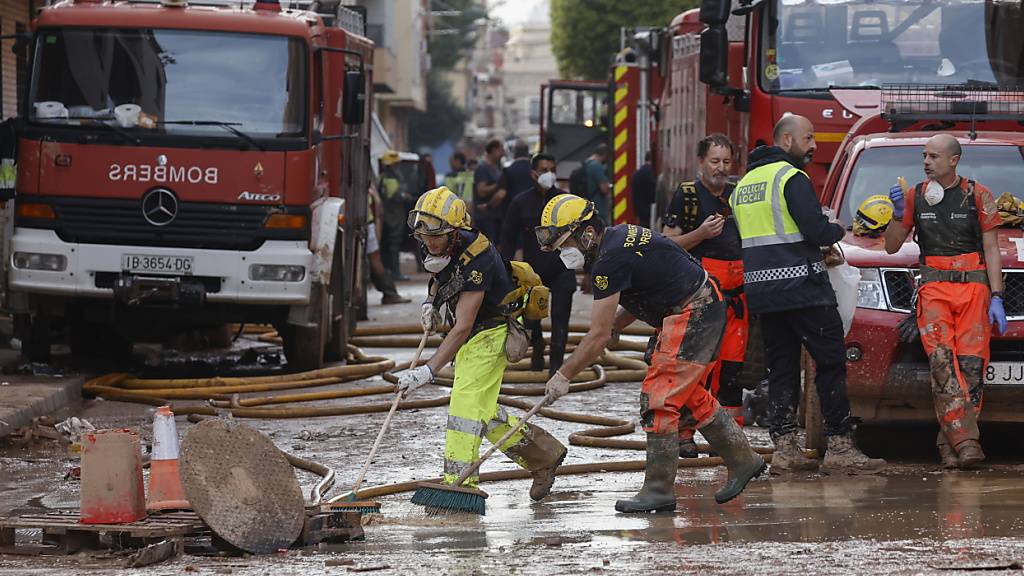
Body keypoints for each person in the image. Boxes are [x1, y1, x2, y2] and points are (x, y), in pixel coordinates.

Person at [536, 195, 765, 512]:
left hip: (694, 311)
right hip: (700, 304)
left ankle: (658, 489)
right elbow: (645, 285)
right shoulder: (617, 240)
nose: (564, 253)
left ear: (587, 233)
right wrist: (617, 325)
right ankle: (743, 459)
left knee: (659, 398)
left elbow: (597, 334)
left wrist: (564, 375)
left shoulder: (608, 260)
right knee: (685, 395)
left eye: (565, 244)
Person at [730, 114, 885, 475]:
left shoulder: (744, 186)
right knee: (830, 364)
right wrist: (838, 228)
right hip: (803, 289)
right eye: (809, 138)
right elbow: (816, 231)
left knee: (781, 369)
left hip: (764, 294)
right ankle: (840, 447)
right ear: (786, 140)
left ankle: (785, 449)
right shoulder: (791, 178)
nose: (814, 145)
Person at [395, 186, 566, 500]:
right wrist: (430, 304)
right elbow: (438, 278)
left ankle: (458, 485)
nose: (429, 243)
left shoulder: (481, 257)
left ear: (456, 233)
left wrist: (427, 371)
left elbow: (462, 327)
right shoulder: (432, 241)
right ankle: (545, 456)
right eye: (424, 237)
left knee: (464, 405)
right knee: (482, 411)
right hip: (471, 333)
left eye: (437, 237)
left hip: (492, 331)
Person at [883, 134, 1006, 469]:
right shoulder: (915, 196)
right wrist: (897, 216)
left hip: (974, 290)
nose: (926, 162)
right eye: (924, 155)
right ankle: (967, 441)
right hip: (935, 289)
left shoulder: (978, 194)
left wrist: (997, 296)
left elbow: (992, 249)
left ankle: (948, 443)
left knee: (971, 368)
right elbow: (891, 247)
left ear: (954, 160)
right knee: (942, 364)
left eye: (934, 156)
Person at [662, 133, 746, 458]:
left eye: (726, 162)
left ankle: (727, 437)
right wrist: (701, 234)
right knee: (696, 365)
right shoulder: (687, 196)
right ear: (701, 162)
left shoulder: (737, 195)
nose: (721, 168)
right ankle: (684, 434)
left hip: (738, 298)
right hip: (700, 295)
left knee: (732, 368)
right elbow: (667, 244)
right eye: (715, 161)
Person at [500, 153, 576, 375]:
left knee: (561, 321)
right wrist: (506, 270)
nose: (549, 174)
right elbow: (508, 238)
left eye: (552, 169)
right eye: (544, 170)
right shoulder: (520, 203)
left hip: (562, 270)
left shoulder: (565, 201)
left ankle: (556, 370)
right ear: (533, 174)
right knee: (531, 322)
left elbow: (585, 237)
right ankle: (537, 348)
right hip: (533, 275)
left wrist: (589, 270)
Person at [367, 181, 411, 304]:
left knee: (375, 260)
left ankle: (389, 292)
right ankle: (389, 293)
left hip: (368, 224)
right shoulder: (373, 186)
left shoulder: (379, 181)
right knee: (375, 260)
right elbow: (379, 207)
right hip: (368, 224)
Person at [378, 150, 411, 281]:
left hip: (389, 214)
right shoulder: (390, 177)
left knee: (388, 244)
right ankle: (395, 272)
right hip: (393, 215)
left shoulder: (384, 176)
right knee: (393, 244)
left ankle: (390, 270)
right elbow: (395, 195)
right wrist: (406, 197)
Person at [473, 139, 507, 242]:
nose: (503, 153)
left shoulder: (498, 168)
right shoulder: (483, 169)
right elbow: (481, 191)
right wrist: (498, 185)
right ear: (493, 150)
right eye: (501, 150)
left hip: (496, 216)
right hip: (486, 217)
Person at [584, 144, 611, 224]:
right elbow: (604, 189)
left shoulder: (586, 163)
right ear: (605, 155)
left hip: (588, 205)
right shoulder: (597, 166)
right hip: (598, 207)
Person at [631, 151, 657, 228]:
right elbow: (653, 194)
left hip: (639, 209)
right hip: (648, 210)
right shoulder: (650, 173)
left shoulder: (637, 173)